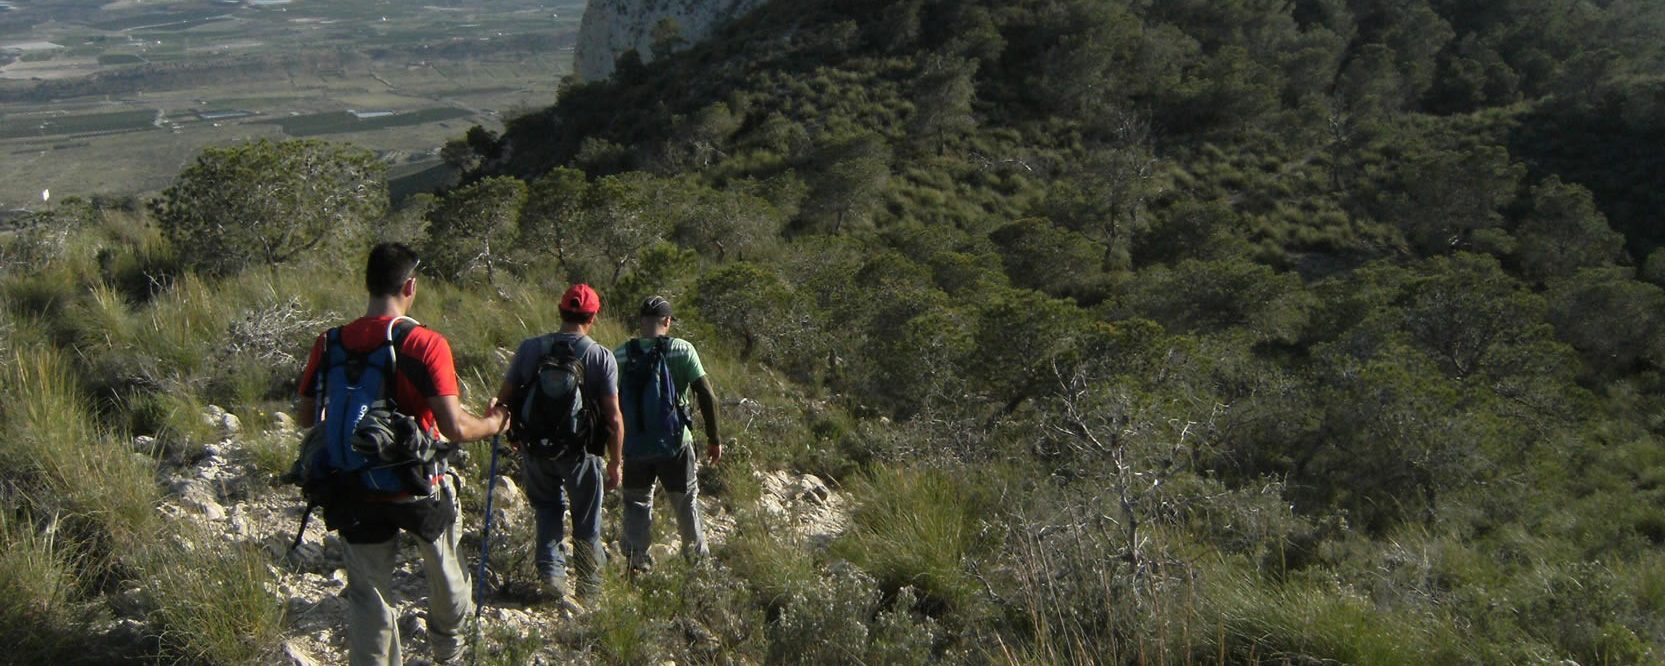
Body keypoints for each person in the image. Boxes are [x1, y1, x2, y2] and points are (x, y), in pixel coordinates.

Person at [296, 242, 509, 666]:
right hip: (417, 484)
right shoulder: (424, 343)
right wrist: (496, 422)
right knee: (447, 574)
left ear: (367, 283)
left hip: (353, 485)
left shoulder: (330, 342)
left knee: (369, 595)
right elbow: (455, 427)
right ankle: (449, 649)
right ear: (410, 286)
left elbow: (306, 417)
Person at [495, 283, 624, 607]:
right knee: (587, 521)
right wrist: (615, 461)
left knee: (547, 510)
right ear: (593, 317)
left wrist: (512, 432)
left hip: (536, 448)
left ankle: (552, 576)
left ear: (560, 310)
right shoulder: (600, 357)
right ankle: (589, 591)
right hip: (582, 453)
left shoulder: (530, 349)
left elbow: (504, 398)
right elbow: (614, 417)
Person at [615, 295, 722, 571]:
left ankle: (636, 564)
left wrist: (612, 448)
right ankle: (697, 565)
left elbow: (610, 403)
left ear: (642, 321)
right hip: (675, 443)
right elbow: (707, 395)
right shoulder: (682, 350)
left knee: (636, 503)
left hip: (635, 445)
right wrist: (714, 439)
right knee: (686, 503)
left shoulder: (621, 355)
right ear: (667, 321)